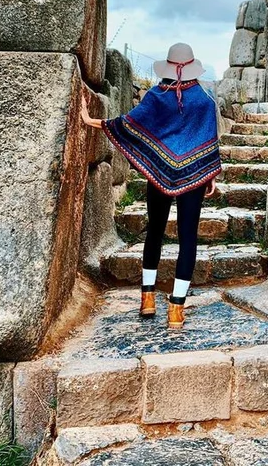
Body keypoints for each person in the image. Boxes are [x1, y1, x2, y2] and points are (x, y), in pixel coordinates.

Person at [81, 42, 221, 329]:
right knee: (188, 239)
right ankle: (176, 310)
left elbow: (127, 125)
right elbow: (209, 142)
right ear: (192, 66)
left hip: (158, 175)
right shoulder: (204, 101)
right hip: (193, 177)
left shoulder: (155, 96)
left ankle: (147, 299)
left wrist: (90, 120)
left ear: (169, 67)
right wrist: (210, 175)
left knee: (154, 232)